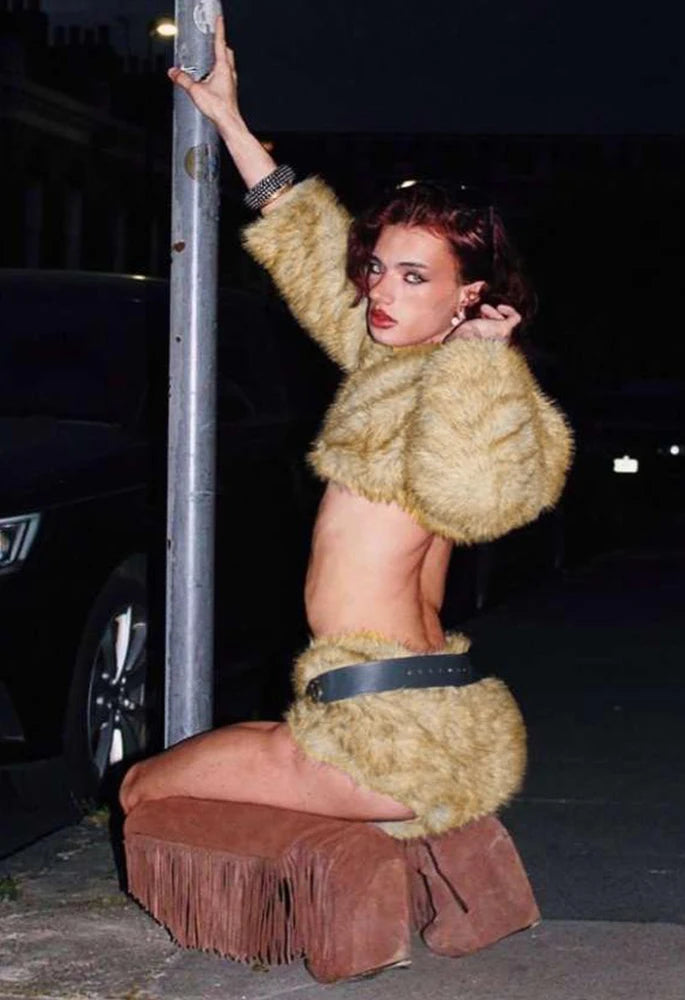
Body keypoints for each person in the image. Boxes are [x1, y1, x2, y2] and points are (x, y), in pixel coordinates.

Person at [119, 16, 573, 839]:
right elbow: (309, 247)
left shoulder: (476, 387)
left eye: (413, 277)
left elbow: (482, 498)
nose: (381, 292)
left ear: (469, 294)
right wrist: (230, 121)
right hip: (411, 709)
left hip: (388, 730)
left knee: (143, 790)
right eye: (377, 269)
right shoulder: (388, 364)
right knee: (231, 764)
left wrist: (481, 367)